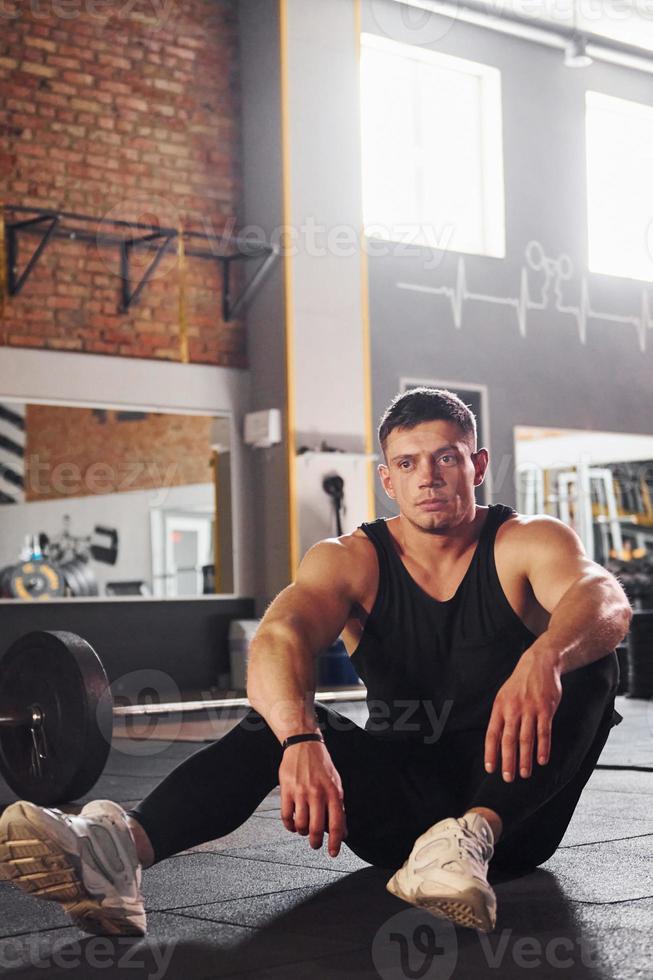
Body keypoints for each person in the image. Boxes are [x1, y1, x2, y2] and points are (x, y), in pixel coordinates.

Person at [0, 388, 630, 937]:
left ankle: (468, 840)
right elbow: (279, 637)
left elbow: (601, 598)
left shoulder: (527, 541)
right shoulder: (351, 558)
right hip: (400, 816)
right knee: (266, 726)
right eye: (408, 464)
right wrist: (299, 737)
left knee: (590, 662)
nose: (428, 477)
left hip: (515, 821)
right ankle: (117, 856)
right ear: (388, 480)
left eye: (446, 458)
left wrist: (545, 655)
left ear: (478, 465)